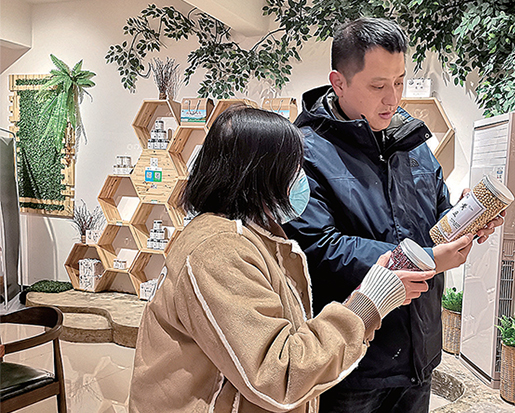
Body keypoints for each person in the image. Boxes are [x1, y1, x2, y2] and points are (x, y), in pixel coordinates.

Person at [128, 106, 438, 413]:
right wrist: (368, 304)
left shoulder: (256, 237)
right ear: (260, 173)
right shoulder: (219, 251)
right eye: (294, 168)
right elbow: (279, 377)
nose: (302, 181)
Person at [282, 17, 504, 412]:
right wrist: (424, 260)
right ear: (338, 83)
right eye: (378, 86)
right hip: (353, 361)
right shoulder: (304, 151)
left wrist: (466, 218)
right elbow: (317, 247)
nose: (393, 98)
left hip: (418, 352)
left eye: (400, 82)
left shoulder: (412, 142)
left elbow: (435, 221)